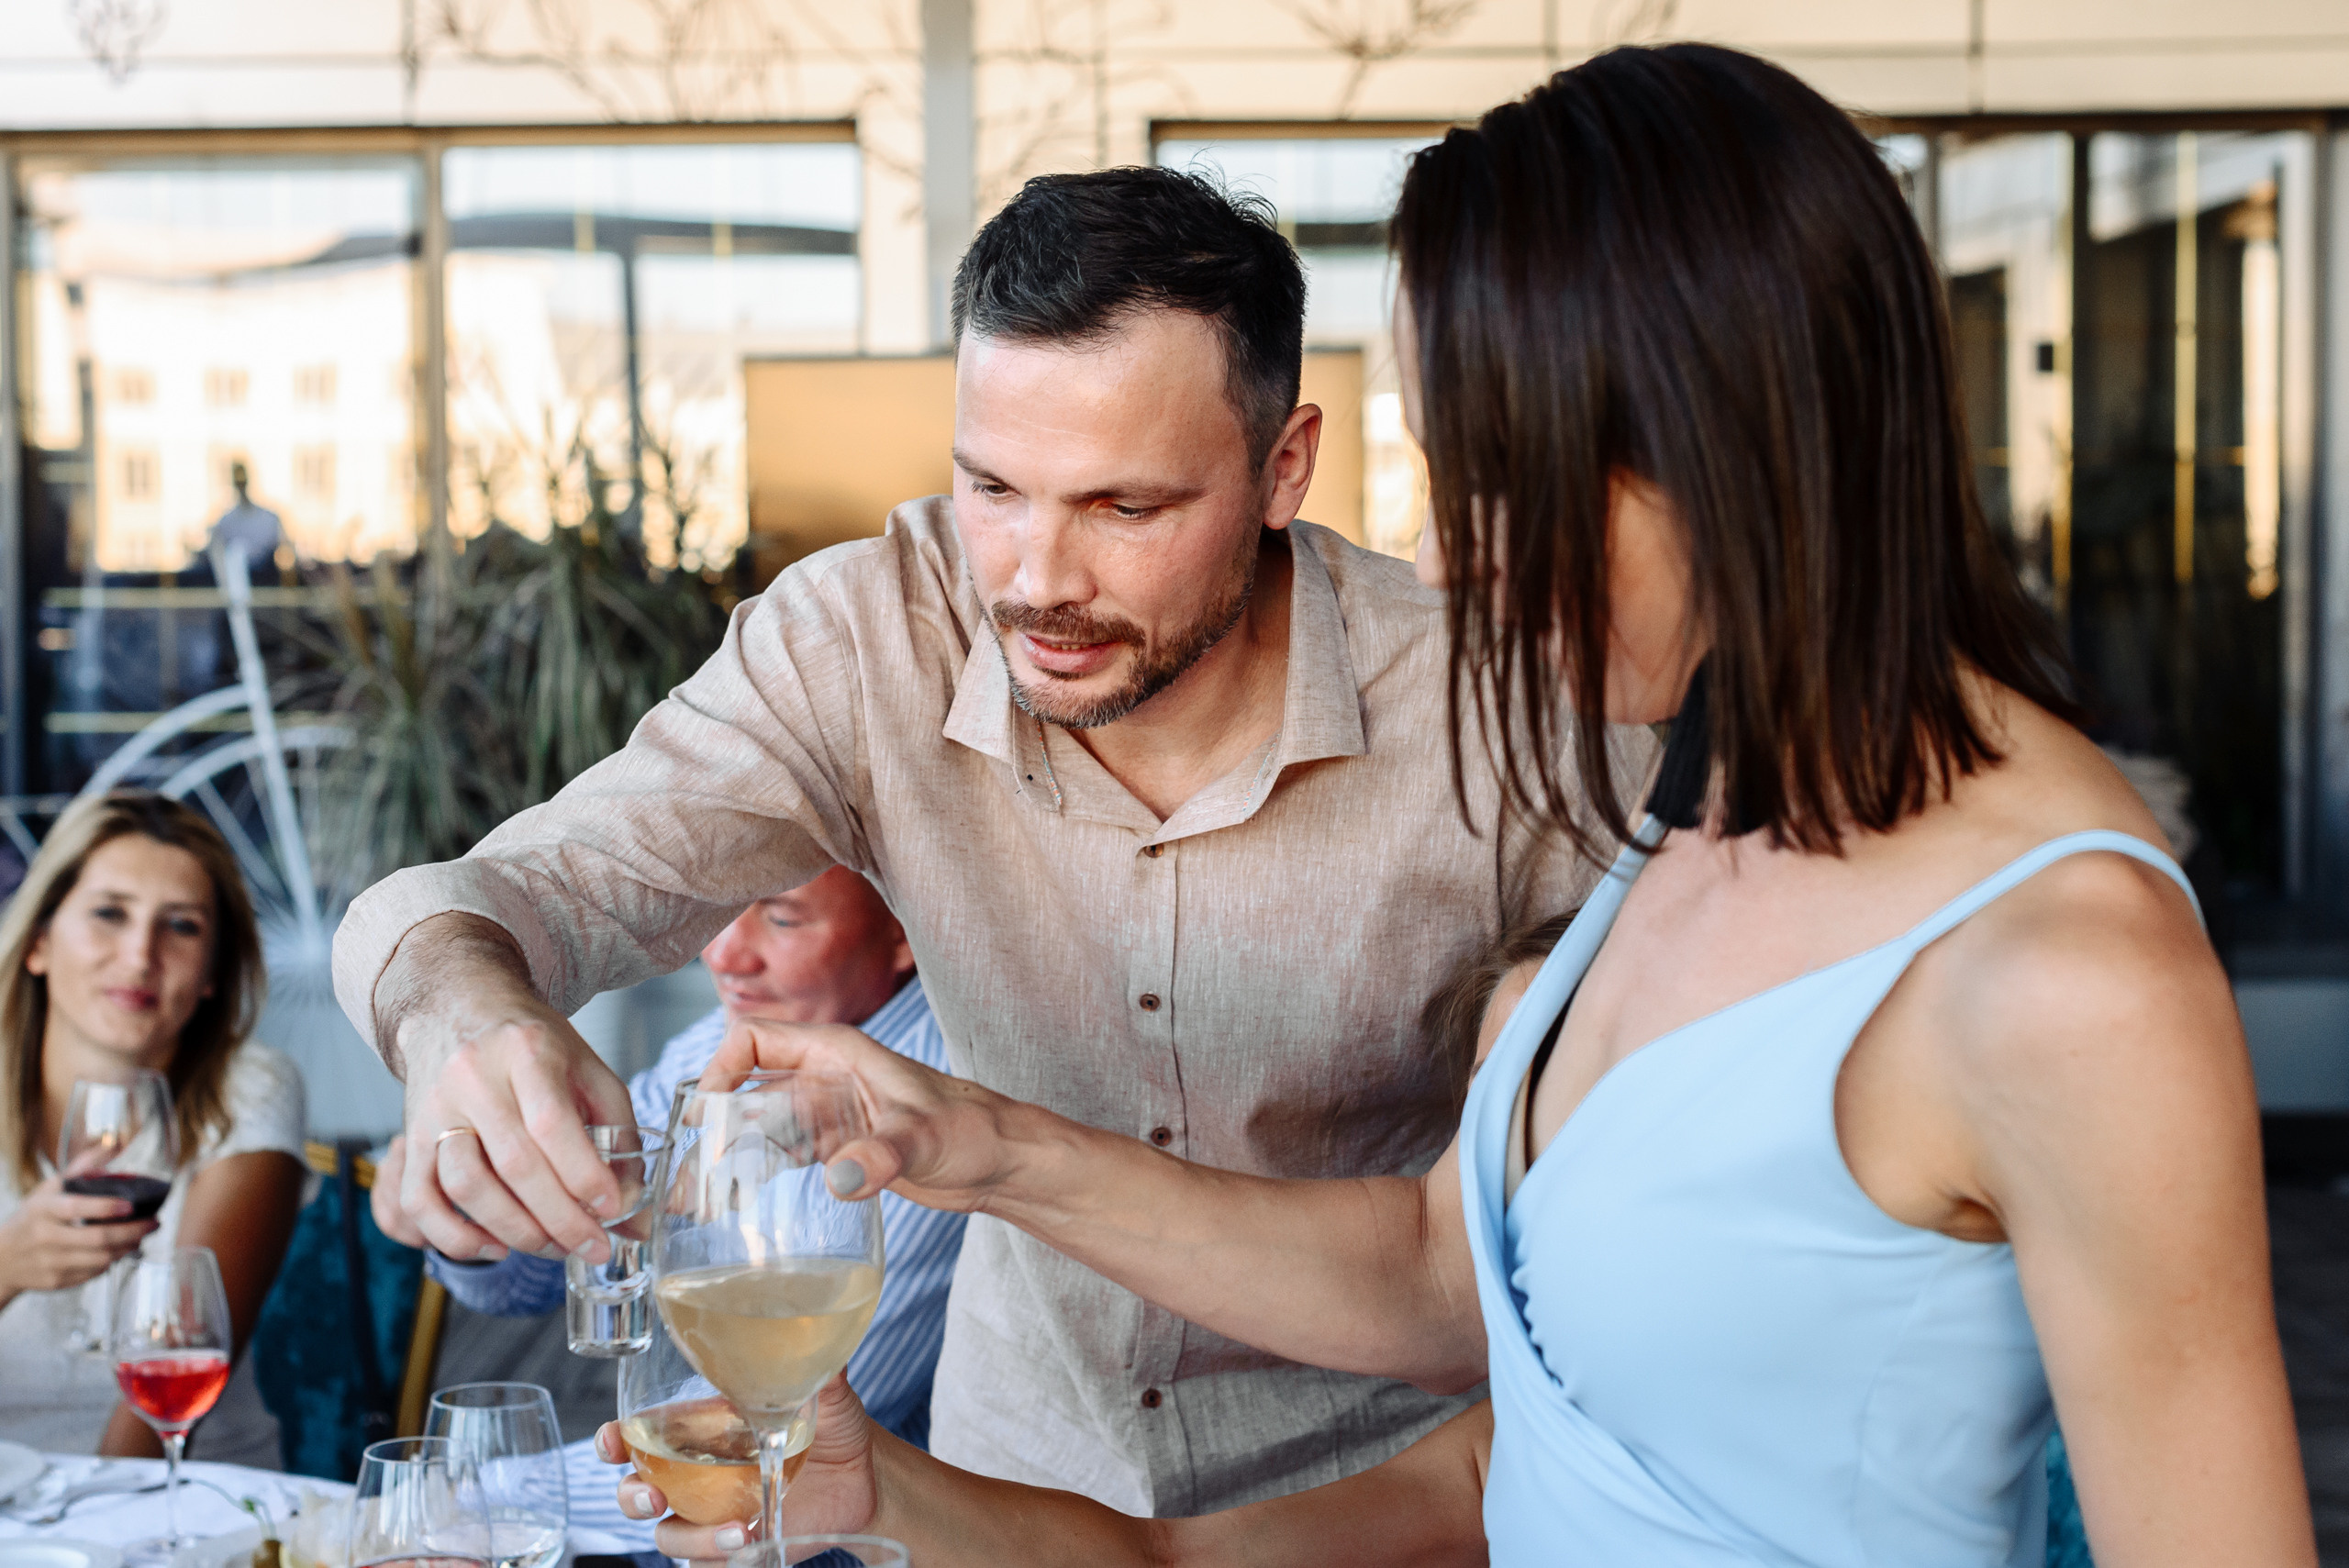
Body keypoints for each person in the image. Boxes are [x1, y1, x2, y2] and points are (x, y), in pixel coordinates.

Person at [624, 43, 2315, 1567]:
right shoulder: (1689, 820)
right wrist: (976, 1164)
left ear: (1721, 446)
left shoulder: (2068, 973)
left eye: (1496, 484)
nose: (1444, 561)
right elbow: (1461, 1315)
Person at [334, 167, 1648, 1515]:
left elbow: (1591, 1239)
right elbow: (510, 890)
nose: (1036, 582)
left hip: (1389, 1506)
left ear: (1284, 467)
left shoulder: (1511, 704)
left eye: (1126, 508)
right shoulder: (868, 637)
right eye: (994, 487)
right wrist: (461, 1013)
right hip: (1005, 1489)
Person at [371, 866, 965, 1449]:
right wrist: (479, 1197)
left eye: (783, 919)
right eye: (719, 913)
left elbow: (775, 1431)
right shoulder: (720, 1043)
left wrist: (477, 1489)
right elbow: (545, 1278)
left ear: (904, 932)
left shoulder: (934, 1104)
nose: (722, 955)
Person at [0, 791, 306, 1455]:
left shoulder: (250, 1089)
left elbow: (163, 1392)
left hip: (179, 1494)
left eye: (182, 926)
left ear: (212, 974)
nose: (141, 955)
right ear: (39, 942)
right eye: (109, 913)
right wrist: (8, 1265)